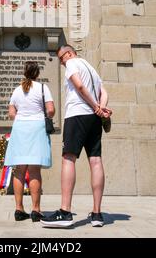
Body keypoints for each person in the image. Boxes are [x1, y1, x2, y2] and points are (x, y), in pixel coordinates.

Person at [40, 45, 112, 228]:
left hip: (77, 115)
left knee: (68, 159)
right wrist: (100, 108)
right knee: (95, 161)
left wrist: (95, 106)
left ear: (70, 53)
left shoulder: (73, 63)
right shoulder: (92, 68)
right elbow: (104, 92)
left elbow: (79, 86)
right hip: (94, 119)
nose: (62, 63)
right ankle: (97, 214)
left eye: (62, 58)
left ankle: (65, 212)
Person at [4, 61, 55, 222]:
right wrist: (47, 115)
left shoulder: (17, 90)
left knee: (19, 170)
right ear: (37, 73)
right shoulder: (42, 88)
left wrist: (22, 115)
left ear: (24, 72)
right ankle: (36, 210)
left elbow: (12, 113)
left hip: (20, 128)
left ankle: (19, 209)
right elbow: (51, 110)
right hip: (37, 127)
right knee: (34, 170)